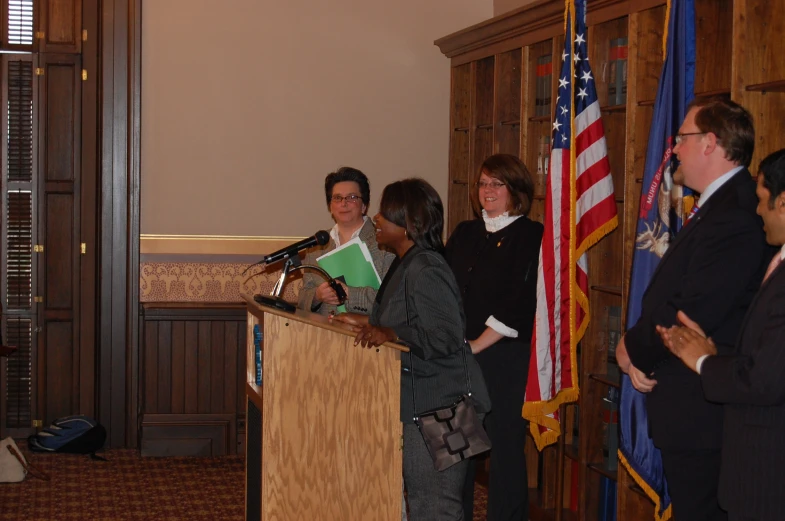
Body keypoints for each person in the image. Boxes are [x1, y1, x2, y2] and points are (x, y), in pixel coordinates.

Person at [615, 97, 771, 521]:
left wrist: (631, 348)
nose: (674, 149)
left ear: (710, 143)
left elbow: (694, 308)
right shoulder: (718, 207)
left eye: (681, 139)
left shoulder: (736, 215)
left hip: (705, 413)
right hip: (689, 406)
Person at [333, 178, 491, 521]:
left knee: (436, 508)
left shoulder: (427, 267)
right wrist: (367, 324)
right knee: (424, 504)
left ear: (409, 225)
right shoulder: (406, 263)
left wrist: (389, 331)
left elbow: (447, 336)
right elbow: (408, 322)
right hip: (423, 404)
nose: (376, 219)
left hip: (444, 409)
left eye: (385, 214)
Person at [656, 148, 785, 521]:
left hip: (768, 472)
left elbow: (763, 381)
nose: (757, 211)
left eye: (762, 201)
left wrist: (703, 360)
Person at [445, 154, 542, 521]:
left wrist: (475, 346)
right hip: (460, 354)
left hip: (503, 358)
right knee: (459, 450)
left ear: (516, 190)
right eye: (483, 183)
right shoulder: (465, 232)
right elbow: (446, 289)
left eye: (497, 184)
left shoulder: (531, 235)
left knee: (503, 450)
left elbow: (519, 301)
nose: (488, 190)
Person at [298, 166, 394, 316]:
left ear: (364, 205)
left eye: (352, 197)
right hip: (322, 334)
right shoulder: (317, 246)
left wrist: (350, 294)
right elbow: (303, 298)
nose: (343, 203)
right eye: (337, 198)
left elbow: (392, 300)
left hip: (365, 334)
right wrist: (317, 295)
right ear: (330, 206)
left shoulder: (384, 244)